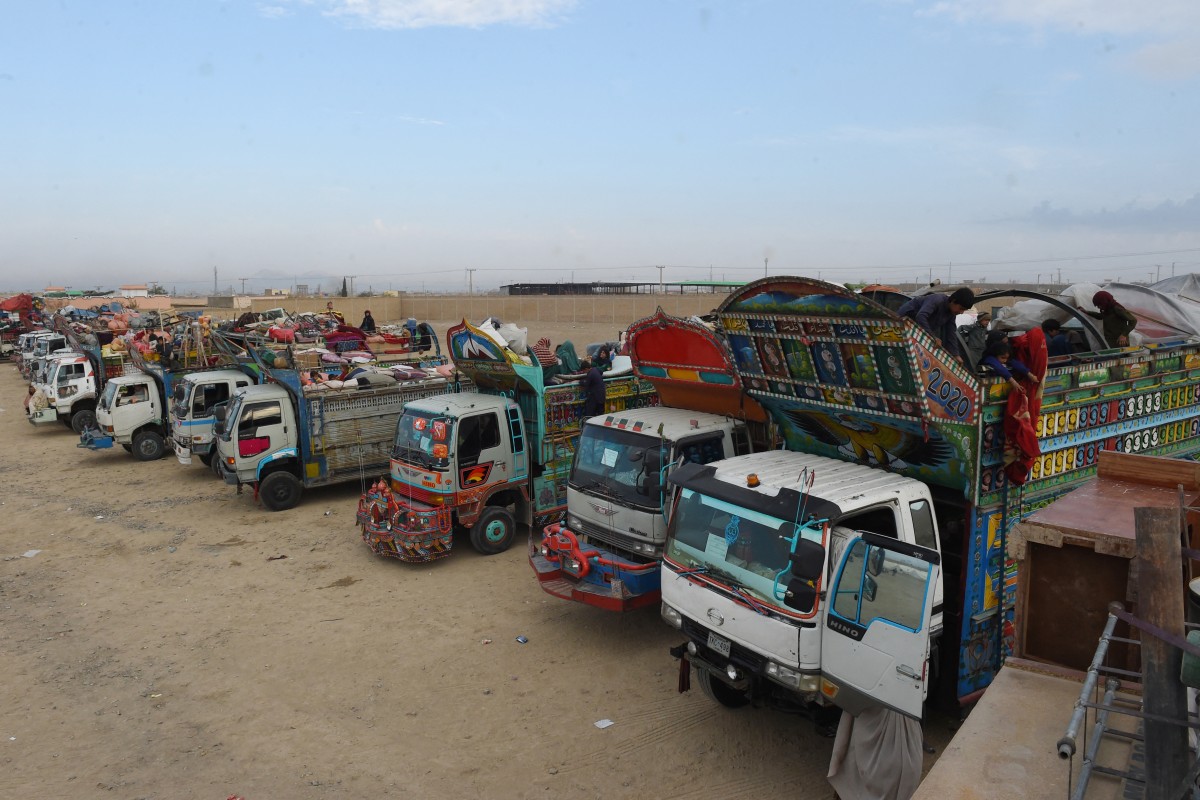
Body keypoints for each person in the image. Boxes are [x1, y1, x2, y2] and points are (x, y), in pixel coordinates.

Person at [897, 288, 975, 361]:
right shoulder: (937, 300)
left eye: (964, 310)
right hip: (899, 326)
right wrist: (933, 337)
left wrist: (956, 355)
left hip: (915, 334)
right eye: (961, 308)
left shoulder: (951, 314)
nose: (961, 312)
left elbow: (951, 334)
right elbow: (921, 316)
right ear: (953, 301)